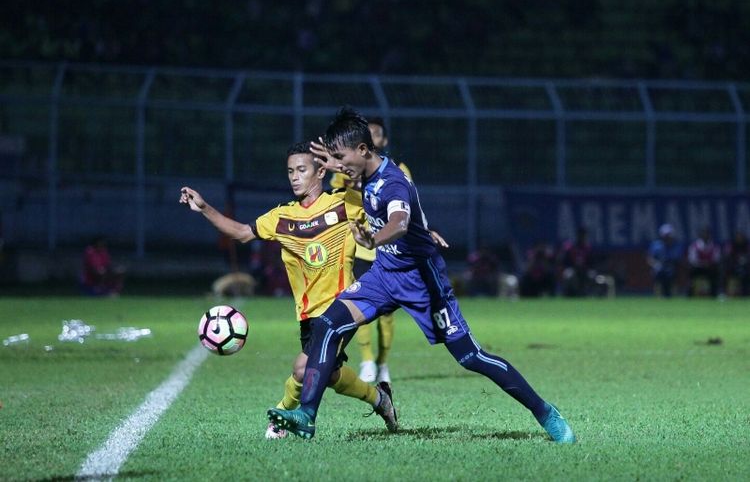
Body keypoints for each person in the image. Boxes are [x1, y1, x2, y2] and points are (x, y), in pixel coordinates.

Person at [268, 107, 575, 443]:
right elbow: (368, 187)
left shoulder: (394, 183)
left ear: (363, 151)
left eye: (341, 158)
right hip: (384, 276)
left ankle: (545, 412)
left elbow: (399, 222)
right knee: (328, 323)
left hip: (422, 284)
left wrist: (375, 238)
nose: (337, 168)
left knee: (471, 357)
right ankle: (306, 416)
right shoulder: (363, 170)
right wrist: (335, 161)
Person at [180, 142, 398, 440]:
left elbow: (381, 183)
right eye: (290, 172)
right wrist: (204, 207)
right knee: (328, 375)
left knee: (302, 369)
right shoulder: (282, 217)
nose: (294, 177)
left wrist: (341, 165)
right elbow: (243, 232)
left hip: (345, 307)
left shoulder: (345, 203)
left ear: (320, 171)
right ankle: (379, 399)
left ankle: (282, 416)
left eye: (301, 170)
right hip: (308, 315)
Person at [329, 116, 414, 383]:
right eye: (371, 134)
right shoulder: (346, 167)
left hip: (389, 249)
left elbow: (405, 209)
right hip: (362, 249)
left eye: (378, 135)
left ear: (382, 141)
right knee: (358, 304)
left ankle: (382, 362)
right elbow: (337, 197)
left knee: (387, 314)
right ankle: (366, 359)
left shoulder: (398, 171)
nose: (374, 138)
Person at [647, 223, 683, 297]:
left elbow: (678, 259)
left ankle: (673, 296)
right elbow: (650, 258)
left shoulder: (676, 246)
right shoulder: (656, 245)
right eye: (665, 235)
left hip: (671, 269)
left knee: (672, 274)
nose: (667, 237)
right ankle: (658, 296)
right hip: (658, 269)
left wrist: (671, 265)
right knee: (657, 274)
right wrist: (655, 264)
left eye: (669, 235)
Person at [558, 227, 594, 297]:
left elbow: (591, 262)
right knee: (568, 274)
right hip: (572, 268)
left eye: (584, 235)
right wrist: (574, 265)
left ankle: (588, 293)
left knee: (592, 275)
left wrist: (586, 267)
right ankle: (567, 294)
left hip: (585, 269)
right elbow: (565, 261)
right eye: (581, 235)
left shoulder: (588, 248)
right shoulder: (571, 247)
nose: (582, 237)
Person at [687, 227, 721, 297]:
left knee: (715, 272)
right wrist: (702, 264)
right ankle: (689, 294)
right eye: (703, 233)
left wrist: (708, 264)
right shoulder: (694, 246)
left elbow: (716, 259)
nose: (705, 235)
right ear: (700, 235)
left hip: (709, 268)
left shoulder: (714, 246)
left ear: (709, 235)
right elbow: (692, 260)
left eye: (707, 234)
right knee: (691, 272)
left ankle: (714, 294)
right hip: (698, 268)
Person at [723, 230, 749, 296]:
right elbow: (727, 258)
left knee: (746, 274)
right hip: (733, 268)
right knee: (724, 272)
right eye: (738, 237)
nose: (739, 238)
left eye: (741, 237)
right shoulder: (731, 246)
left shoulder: (747, 246)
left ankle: (746, 293)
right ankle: (723, 291)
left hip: (746, 268)